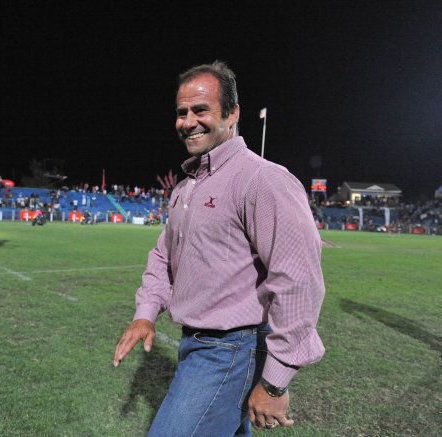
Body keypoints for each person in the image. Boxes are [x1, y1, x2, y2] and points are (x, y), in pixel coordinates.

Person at [113, 61, 325, 436]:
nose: (188, 121)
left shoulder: (262, 180)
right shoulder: (187, 186)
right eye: (181, 112)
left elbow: (297, 281)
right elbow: (165, 256)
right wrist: (146, 312)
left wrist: (275, 382)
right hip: (195, 344)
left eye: (200, 110)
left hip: (230, 350)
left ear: (232, 114)